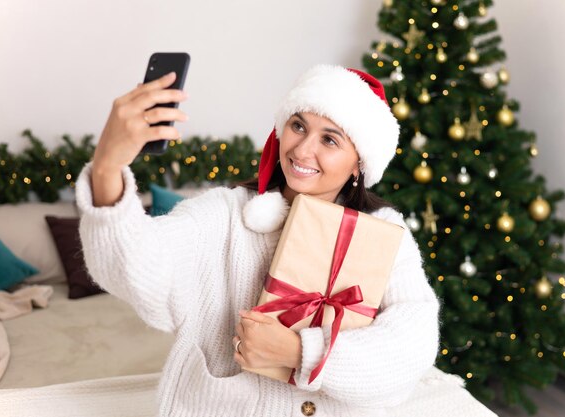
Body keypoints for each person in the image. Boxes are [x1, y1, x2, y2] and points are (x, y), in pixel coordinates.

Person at [76, 64, 454, 417]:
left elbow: (412, 340)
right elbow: (136, 266)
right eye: (298, 126)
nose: (303, 150)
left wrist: (300, 352)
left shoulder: (384, 234)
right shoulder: (224, 214)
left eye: (330, 139)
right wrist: (108, 167)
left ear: (359, 163)